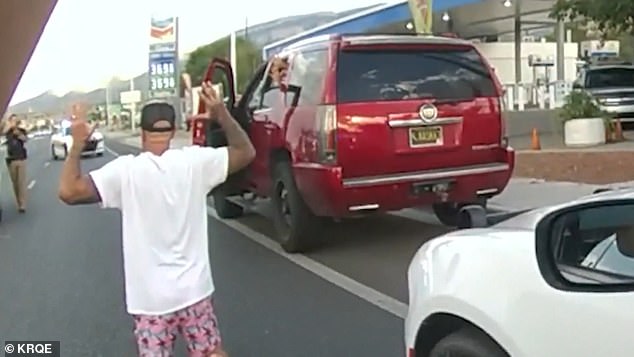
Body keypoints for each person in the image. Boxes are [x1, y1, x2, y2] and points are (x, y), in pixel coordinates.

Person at [58, 82, 255, 357]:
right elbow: (246, 152)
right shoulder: (196, 163)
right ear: (174, 131)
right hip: (194, 290)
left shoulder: (125, 172)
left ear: (142, 133)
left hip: (151, 300)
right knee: (211, 351)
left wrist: (77, 145)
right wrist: (221, 112)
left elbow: (68, 191)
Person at [4, 114, 28, 212]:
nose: (14, 122)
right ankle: (19, 202)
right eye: (12, 120)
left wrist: (18, 134)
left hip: (21, 159)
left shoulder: (21, 131)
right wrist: (8, 127)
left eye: (15, 120)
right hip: (11, 160)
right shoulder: (7, 132)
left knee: (21, 182)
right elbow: (3, 132)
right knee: (15, 184)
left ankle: (22, 204)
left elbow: (25, 139)